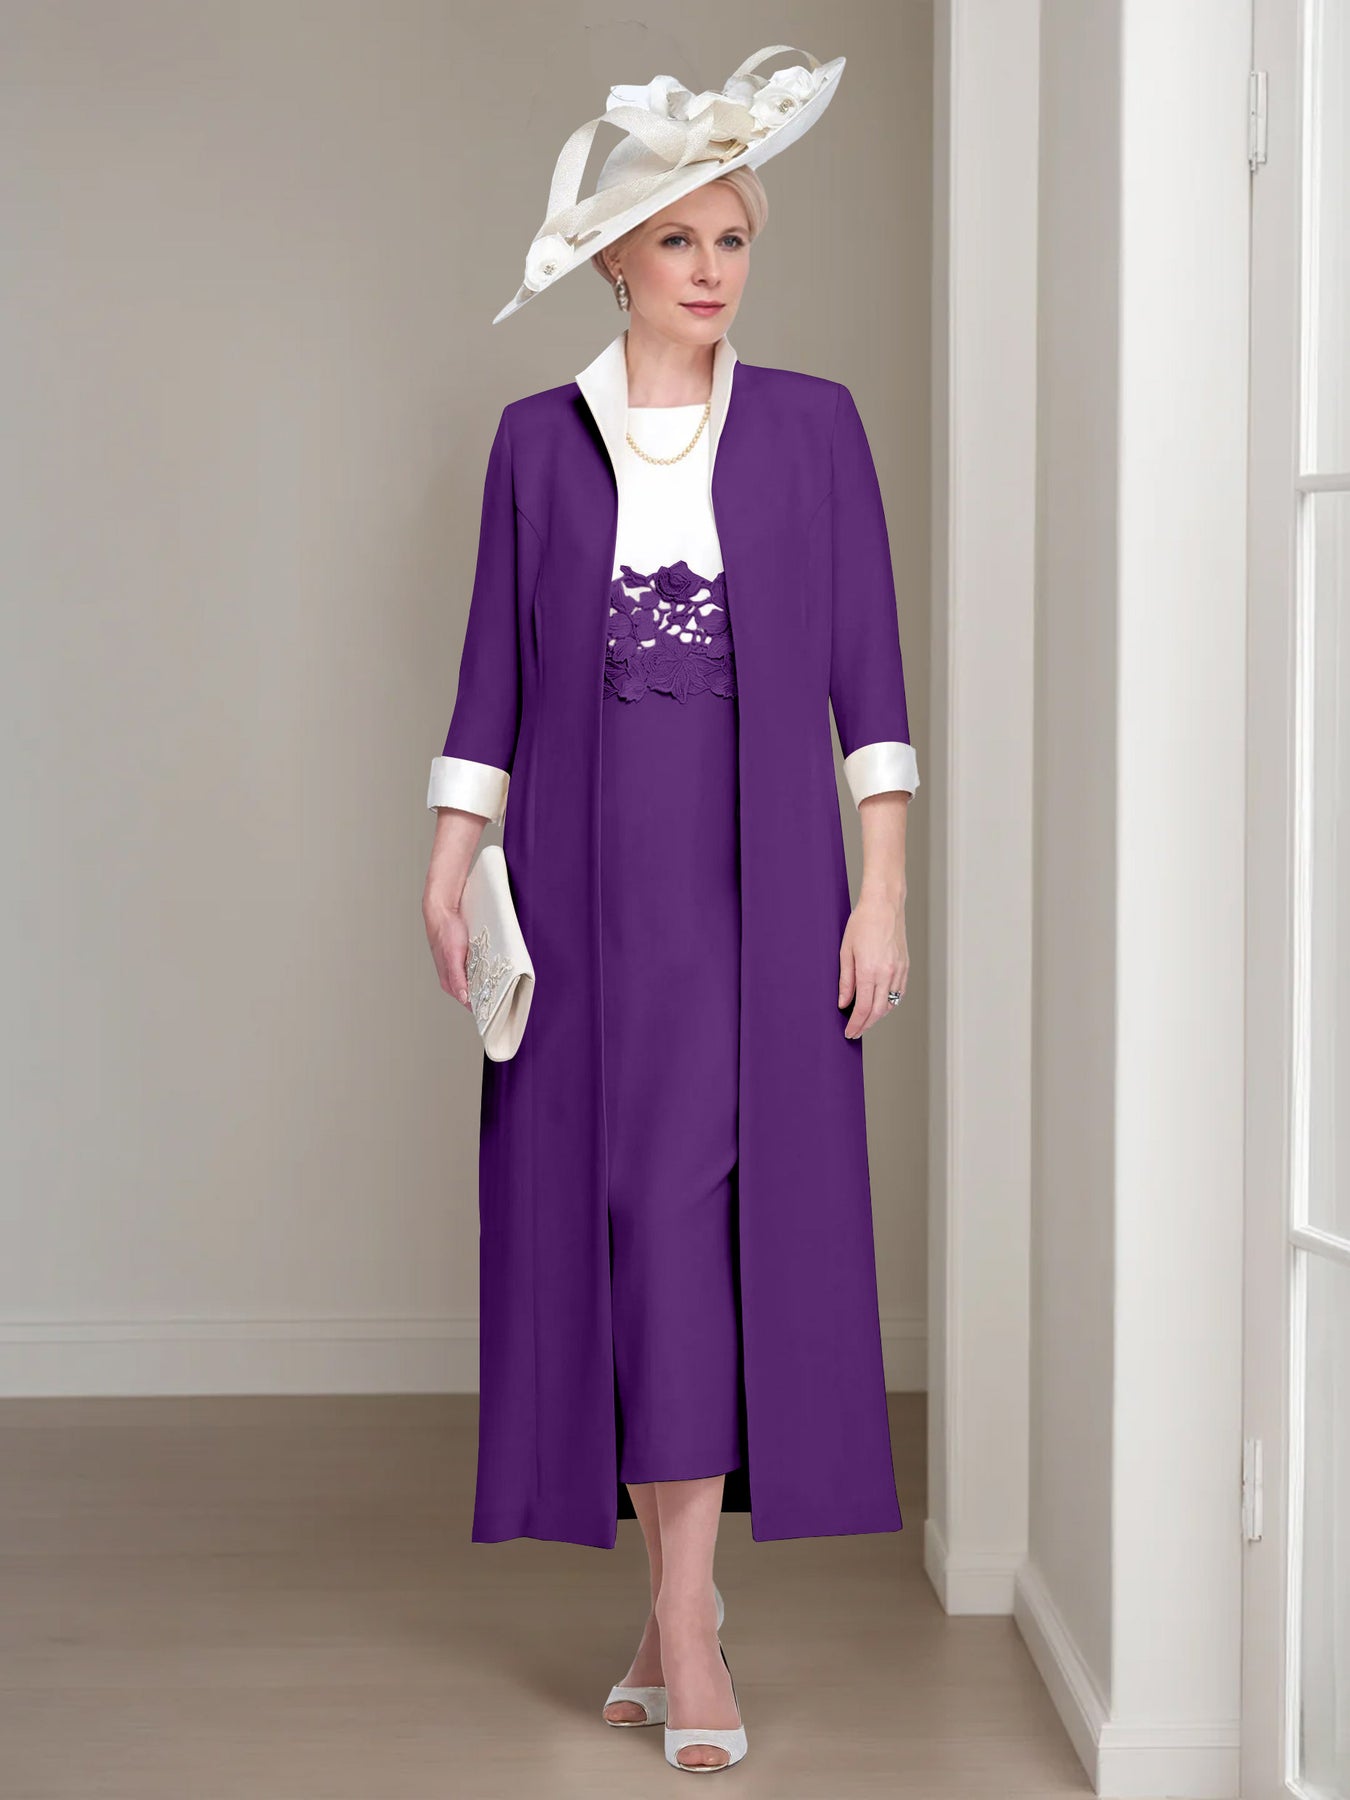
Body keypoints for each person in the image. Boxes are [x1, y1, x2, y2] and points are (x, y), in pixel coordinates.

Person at [421, 46, 919, 1775]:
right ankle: (672, 1615)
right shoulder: (532, 446)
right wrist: (446, 859)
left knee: (705, 1229)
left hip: (759, 902)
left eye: (734, 239)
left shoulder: (814, 428)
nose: (711, 269)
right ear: (615, 260)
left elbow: (869, 687)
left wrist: (881, 891)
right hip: (581, 905)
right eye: (680, 239)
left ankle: (688, 1625)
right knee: (630, 1229)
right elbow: (489, 681)